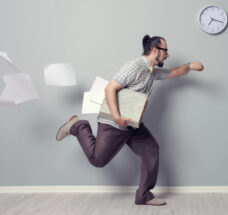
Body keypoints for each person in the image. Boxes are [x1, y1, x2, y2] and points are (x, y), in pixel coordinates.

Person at [56, 35, 204, 206]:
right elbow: (110, 87)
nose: (167, 55)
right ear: (155, 50)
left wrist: (190, 66)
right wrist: (117, 117)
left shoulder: (151, 71)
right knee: (98, 160)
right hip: (114, 123)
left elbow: (173, 72)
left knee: (151, 149)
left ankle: (143, 195)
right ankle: (78, 126)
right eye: (165, 51)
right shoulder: (135, 66)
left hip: (133, 123)